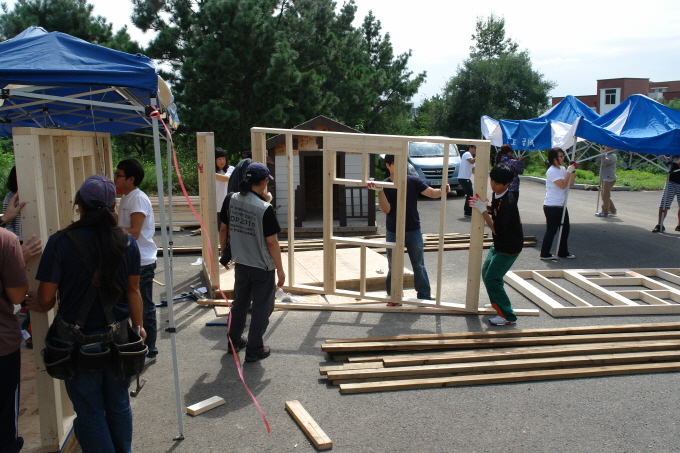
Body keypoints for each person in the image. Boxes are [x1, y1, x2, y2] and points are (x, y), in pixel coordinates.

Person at [30, 175, 145, 453]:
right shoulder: (126, 242)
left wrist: (33, 302)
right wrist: (139, 327)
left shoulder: (60, 242)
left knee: (90, 411)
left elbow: (45, 300)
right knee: (118, 404)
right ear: (112, 205)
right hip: (118, 338)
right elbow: (133, 291)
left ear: (79, 204)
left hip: (76, 343)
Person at [219, 162, 284, 362]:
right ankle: (255, 348)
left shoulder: (231, 199)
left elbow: (224, 228)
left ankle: (234, 341)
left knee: (240, 303)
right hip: (262, 266)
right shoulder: (265, 209)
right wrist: (280, 270)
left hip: (241, 262)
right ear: (264, 181)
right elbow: (272, 243)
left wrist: (225, 252)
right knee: (262, 307)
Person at [368, 154, 449, 305]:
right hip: (393, 231)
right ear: (388, 165)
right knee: (394, 265)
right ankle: (394, 296)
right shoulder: (385, 185)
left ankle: (424, 296)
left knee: (418, 264)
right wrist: (379, 190)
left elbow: (431, 193)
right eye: (396, 163)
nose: (401, 166)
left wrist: (441, 191)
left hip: (413, 229)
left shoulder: (412, 180)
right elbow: (386, 210)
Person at [114, 159, 158, 365]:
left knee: (144, 306)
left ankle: (150, 350)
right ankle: (136, 345)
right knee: (132, 304)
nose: (115, 178)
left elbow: (135, 232)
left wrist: (110, 229)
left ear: (131, 179)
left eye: (119, 175)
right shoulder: (126, 197)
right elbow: (126, 225)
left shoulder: (138, 199)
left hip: (142, 261)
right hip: (130, 259)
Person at [469, 165, 524, 326]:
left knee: (492, 278)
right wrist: (484, 205)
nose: (493, 185)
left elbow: (495, 229)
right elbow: (495, 211)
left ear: (507, 184)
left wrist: (482, 211)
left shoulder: (508, 202)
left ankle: (507, 316)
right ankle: (498, 302)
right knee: (487, 272)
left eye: (497, 183)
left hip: (509, 247)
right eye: (492, 180)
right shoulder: (498, 193)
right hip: (500, 243)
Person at [0, 227, 29, 453]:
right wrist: (19, 258)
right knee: (4, 428)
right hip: (2, 346)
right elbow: (18, 296)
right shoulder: (5, 240)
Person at [540, 147, 576, 260]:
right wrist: (568, 172)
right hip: (552, 205)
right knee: (552, 230)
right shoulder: (551, 171)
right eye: (560, 156)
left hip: (561, 204)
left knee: (565, 229)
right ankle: (544, 253)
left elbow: (571, 183)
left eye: (563, 156)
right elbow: (562, 185)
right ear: (554, 158)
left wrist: (572, 170)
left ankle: (563, 252)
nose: (563, 158)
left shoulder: (562, 169)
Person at [652, 157, 680, 233]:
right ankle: (660, 225)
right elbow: (666, 158)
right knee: (664, 204)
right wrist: (663, 156)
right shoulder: (674, 153)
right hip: (671, 181)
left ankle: (679, 225)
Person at [215, 148, 234, 232]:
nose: (222, 161)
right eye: (219, 159)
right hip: (215, 206)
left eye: (223, 158)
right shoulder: (214, 171)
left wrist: (210, 172)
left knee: (228, 231)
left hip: (228, 206)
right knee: (218, 231)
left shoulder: (231, 169)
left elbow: (226, 178)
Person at [595, 147, 618, 217]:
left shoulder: (613, 156)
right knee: (604, 195)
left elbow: (604, 162)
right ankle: (613, 210)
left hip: (609, 179)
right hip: (604, 178)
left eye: (608, 147)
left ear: (612, 149)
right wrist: (602, 154)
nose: (606, 148)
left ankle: (604, 212)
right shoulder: (605, 155)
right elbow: (597, 162)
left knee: (605, 196)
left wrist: (603, 154)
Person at [459, 145, 476, 217]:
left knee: (470, 194)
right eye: (475, 148)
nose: (476, 150)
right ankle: (467, 212)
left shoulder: (471, 157)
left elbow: (474, 170)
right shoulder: (467, 154)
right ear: (471, 147)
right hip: (463, 178)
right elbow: (472, 161)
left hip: (466, 179)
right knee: (470, 195)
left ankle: (468, 212)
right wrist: (480, 155)